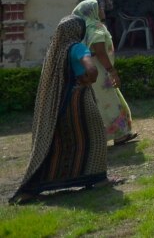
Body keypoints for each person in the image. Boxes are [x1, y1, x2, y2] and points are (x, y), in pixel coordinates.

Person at [10, 16, 108, 204]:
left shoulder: (56, 50)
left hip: (59, 103)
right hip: (79, 99)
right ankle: (97, 178)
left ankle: (33, 186)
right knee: (95, 136)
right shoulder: (78, 47)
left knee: (58, 142)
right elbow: (91, 69)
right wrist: (89, 79)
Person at [76, 0, 137, 146]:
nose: (103, 11)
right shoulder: (95, 27)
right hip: (98, 69)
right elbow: (100, 51)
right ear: (92, 11)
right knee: (109, 102)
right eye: (100, 8)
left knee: (100, 102)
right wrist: (111, 70)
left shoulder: (82, 28)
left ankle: (104, 136)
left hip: (86, 69)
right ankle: (119, 134)